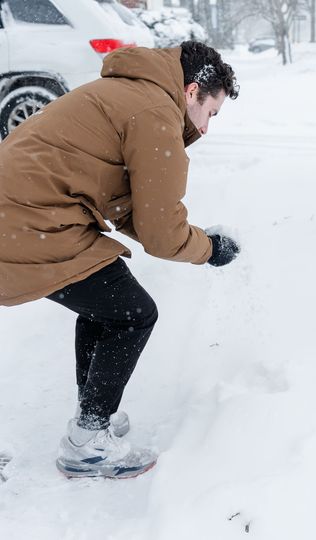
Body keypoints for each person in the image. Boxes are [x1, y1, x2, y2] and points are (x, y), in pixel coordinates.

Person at [0, 41, 240, 478]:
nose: (206, 129)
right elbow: (161, 233)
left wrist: (194, 239)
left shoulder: (130, 93)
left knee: (107, 303)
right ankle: (88, 442)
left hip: (24, 214)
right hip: (29, 223)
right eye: (211, 113)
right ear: (191, 92)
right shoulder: (154, 114)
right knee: (132, 313)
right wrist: (208, 249)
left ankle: (94, 415)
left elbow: (123, 207)